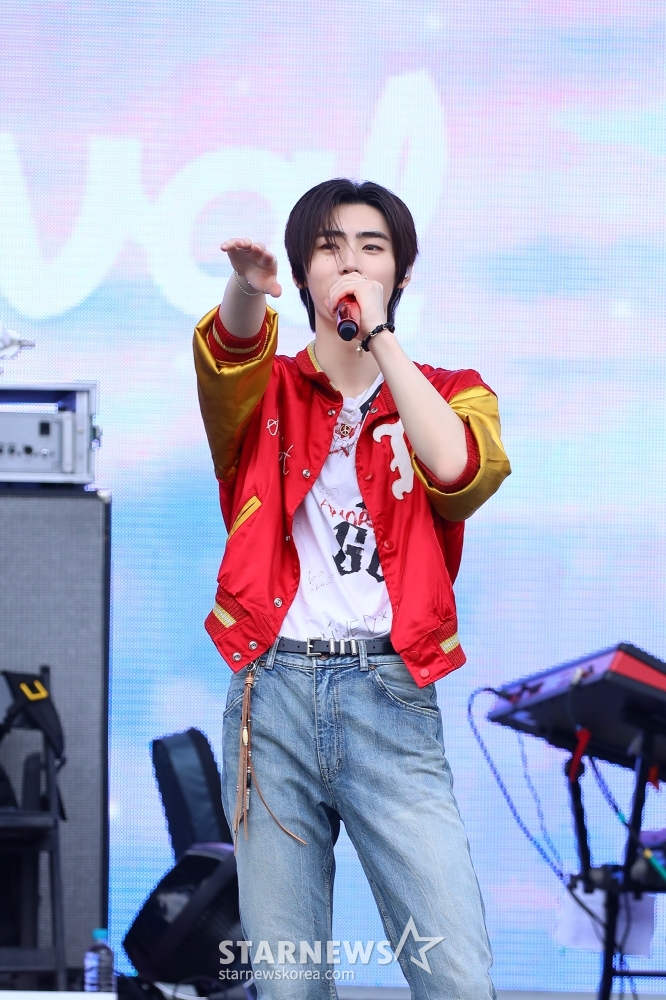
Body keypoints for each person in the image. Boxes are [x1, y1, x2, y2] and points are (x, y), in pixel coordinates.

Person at [194, 179, 510, 1000]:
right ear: (302, 272)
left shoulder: (454, 390)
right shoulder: (265, 392)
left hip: (389, 697)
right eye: (330, 247)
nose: (351, 263)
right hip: (273, 697)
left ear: (401, 272)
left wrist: (379, 336)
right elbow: (230, 352)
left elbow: (459, 471)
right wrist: (244, 287)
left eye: (373, 248)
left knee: (455, 974)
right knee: (289, 982)